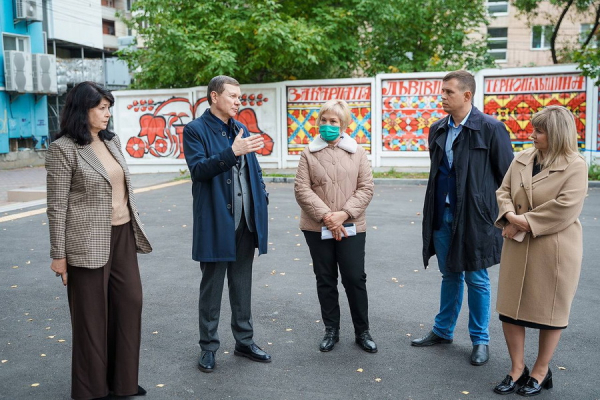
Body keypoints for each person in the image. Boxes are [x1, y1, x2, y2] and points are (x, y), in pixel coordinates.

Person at [46, 81, 152, 400]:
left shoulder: (112, 140)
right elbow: (57, 205)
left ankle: (123, 382)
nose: (107, 114)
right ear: (83, 110)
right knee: (91, 318)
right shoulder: (63, 148)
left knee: (129, 303)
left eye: (109, 108)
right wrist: (58, 255)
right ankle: (91, 390)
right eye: (101, 108)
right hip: (85, 243)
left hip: (121, 234)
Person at [414, 70, 514, 366]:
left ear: (467, 95)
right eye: (442, 92)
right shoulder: (437, 128)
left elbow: (507, 178)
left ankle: (480, 340)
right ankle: (443, 331)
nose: (442, 97)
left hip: (476, 217)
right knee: (450, 274)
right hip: (441, 214)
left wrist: (503, 216)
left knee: (477, 278)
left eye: (448, 92)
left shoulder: (491, 128)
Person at [493, 106, 587, 396]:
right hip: (518, 246)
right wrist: (509, 216)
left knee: (550, 313)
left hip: (554, 249)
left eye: (539, 131)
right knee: (510, 311)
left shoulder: (575, 165)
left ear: (557, 134)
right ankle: (516, 369)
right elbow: (503, 191)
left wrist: (520, 223)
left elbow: (565, 209)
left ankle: (541, 371)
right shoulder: (521, 159)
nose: (531, 135)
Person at [183, 75, 271, 373]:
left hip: (245, 221)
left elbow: (252, 172)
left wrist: (262, 195)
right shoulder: (195, 130)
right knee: (212, 287)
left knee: (242, 283)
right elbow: (198, 171)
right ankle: (208, 347)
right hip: (217, 222)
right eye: (232, 96)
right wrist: (232, 152)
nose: (238, 101)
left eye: (239, 96)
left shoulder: (240, 128)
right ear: (213, 97)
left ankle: (244, 342)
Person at [294, 99, 377, 353]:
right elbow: (301, 189)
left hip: (351, 226)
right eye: (324, 120)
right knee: (326, 278)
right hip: (316, 227)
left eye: (334, 121)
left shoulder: (358, 152)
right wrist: (327, 217)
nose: (328, 125)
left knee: (354, 278)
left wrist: (343, 214)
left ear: (343, 125)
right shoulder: (308, 153)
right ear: (318, 122)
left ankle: (362, 331)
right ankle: (332, 330)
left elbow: (366, 188)